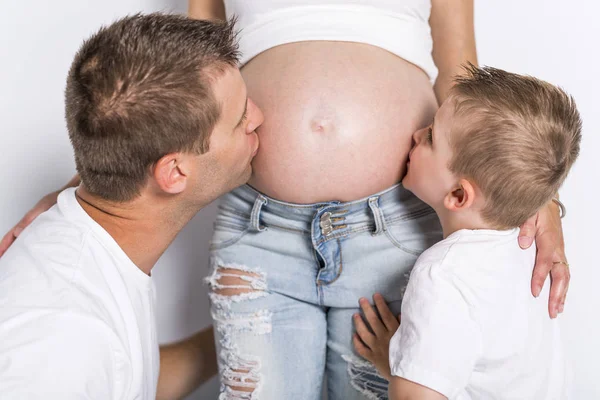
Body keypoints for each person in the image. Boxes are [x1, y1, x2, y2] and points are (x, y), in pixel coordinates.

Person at [0, 2, 571, 399]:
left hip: (396, 229)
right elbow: (193, 79)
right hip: (258, 233)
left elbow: (464, 85)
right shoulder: (57, 338)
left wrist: (530, 193)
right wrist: (98, 182)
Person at [0, 13, 263, 399]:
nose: (258, 118)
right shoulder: (60, 334)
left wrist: (239, 326)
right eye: (240, 117)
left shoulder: (88, 254)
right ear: (174, 172)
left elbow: (124, 380)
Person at [352, 65, 581, 399]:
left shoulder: (443, 275)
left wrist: (403, 365)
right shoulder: (526, 248)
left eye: (430, 137)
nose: (416, 134)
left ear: (458, 196)